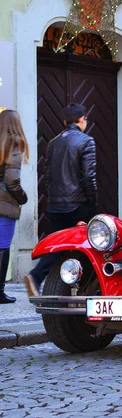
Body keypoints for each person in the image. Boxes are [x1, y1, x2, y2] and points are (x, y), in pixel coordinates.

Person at [24, 103, 97, 297]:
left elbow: (47, 177)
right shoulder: (86, 141)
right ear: (82, 119)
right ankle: (44, 278)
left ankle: (50, 282)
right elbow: (89, 177)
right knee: (87, 246)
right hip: (77, 204)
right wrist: (92, 204)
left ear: (65, 122)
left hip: (57, 205)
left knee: (58, 245)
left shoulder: (53, 143)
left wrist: (52, 199)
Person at [0, 111, 29, 304]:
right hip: (4, 204)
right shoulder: (14, 143)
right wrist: (22, 197)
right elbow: (12, 180)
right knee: (2, 247)